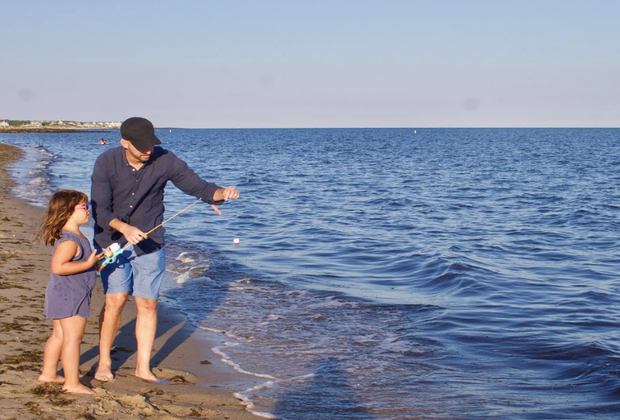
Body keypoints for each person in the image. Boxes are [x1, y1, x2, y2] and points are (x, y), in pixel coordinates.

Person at [91, 117, 239, 382]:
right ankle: (103, 362)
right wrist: (123, 228)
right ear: (124, 142)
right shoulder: (106, 162)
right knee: (116, 300)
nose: (147, 150)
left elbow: (200, 188)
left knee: (148, 303)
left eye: (150, 144)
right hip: (112, 240)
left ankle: (143, 367)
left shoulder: (165, 159)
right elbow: (100, 209)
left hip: (150, 242)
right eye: (140, 146)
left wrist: (222, 192)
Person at [38, 190, 102, 394]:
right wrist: (89, 263)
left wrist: (94, 265)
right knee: (73, 338)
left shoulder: (74, 236)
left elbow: (77, 264)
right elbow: (58, 267)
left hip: (63, 294)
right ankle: (72, 383)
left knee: (59, 335)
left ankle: (48, 373)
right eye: (83, 207)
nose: (88, 210)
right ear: (68, 212)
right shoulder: (70, 241)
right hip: (71, 296)